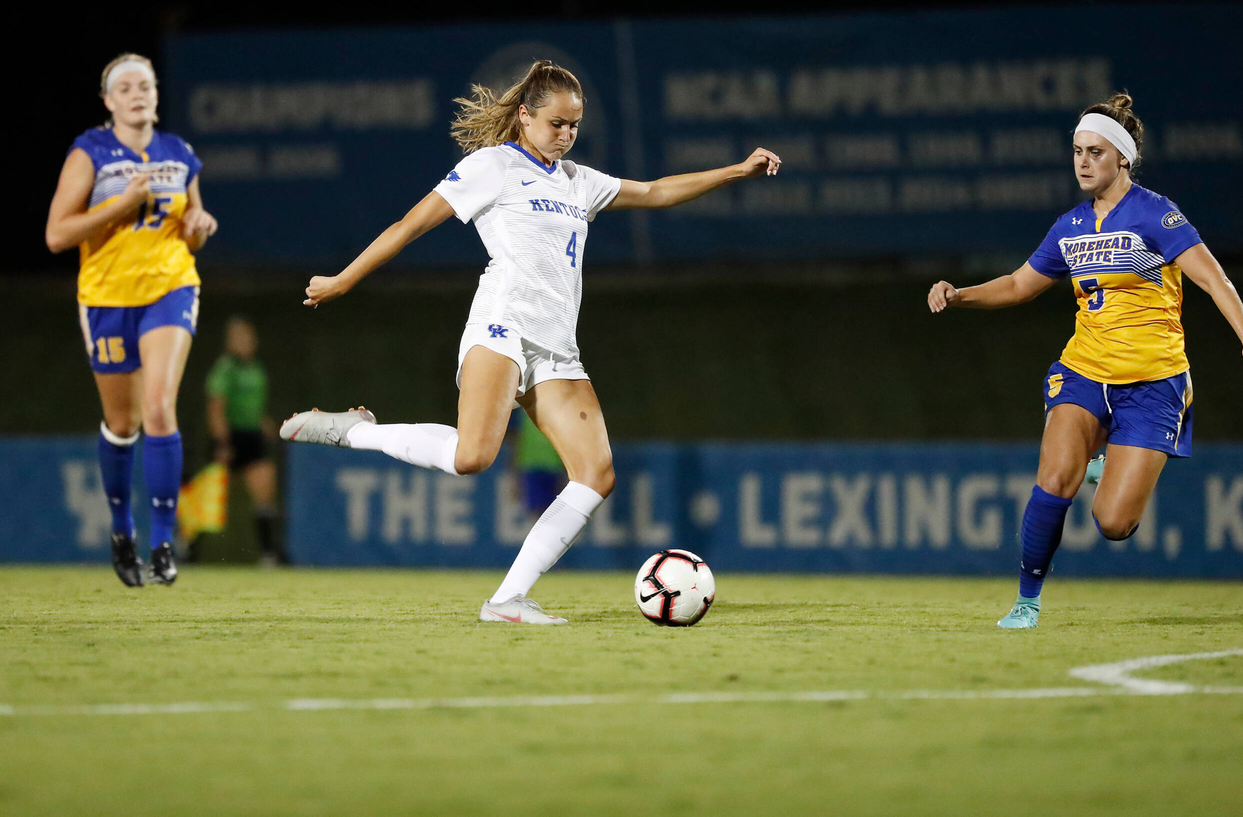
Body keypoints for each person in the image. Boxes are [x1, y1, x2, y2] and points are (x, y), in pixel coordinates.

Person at [281, 60, 780, 624]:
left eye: (575, 124)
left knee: (596, 473)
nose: (566, 134)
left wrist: (736, 171)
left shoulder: (578, 181)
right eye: (556, 123)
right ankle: (361, 433)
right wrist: (344, 278)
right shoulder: (491, 166)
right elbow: (411, 224)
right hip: (502, 326)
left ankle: (507, 600)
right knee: (473, 458)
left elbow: (658, 192)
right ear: (524, 116)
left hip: (556, 346)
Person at [927, 93, 1243, 629]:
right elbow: (1021, 284)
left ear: (1123, 159)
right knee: (1055, 478)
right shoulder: (1069, 226)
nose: (1083, 162)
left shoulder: (1157, 213)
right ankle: (1026, 601)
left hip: (1154, 382)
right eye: (1076, 151)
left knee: (1112, 522)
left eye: (1095, 152)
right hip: (1084, 370)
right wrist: (960, 294)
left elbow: (1213, 279)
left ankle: (1107, 460)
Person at [45, 53, 217, 587]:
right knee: (124, 425)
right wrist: (121, 204)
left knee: (160, 407)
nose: (137, 93)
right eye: (126, 87)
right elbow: (57, 235)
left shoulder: (178, 153)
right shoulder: (89, 151)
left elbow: (189, 226)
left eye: (145, 84)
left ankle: (165, 543)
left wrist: (199, 226)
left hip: (170, 288)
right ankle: (122, 530)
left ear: (157, 95)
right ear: (109, 101)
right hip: (106, 296)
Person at [206, 317, 283, 564]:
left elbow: (254, 408)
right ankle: (184, 548)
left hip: (252, 438)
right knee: (210, 498)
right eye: (238, 337)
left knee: (264, 489)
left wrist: (266, 424)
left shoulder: (256, 368)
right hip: (229, 438)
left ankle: (268, 554)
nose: (244, 342)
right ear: (229, 342)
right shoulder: (225, 368)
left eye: (248, 337)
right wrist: (222, 443)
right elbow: (216, 409)